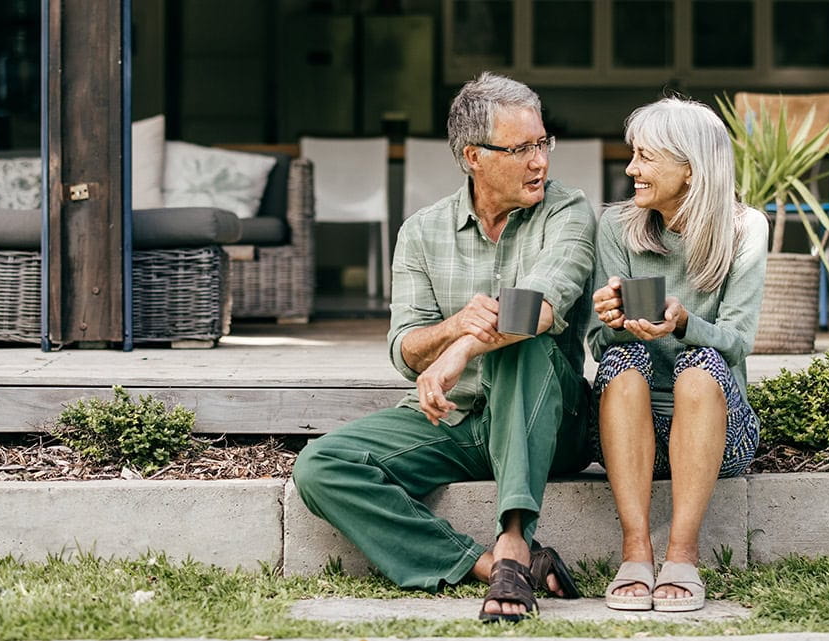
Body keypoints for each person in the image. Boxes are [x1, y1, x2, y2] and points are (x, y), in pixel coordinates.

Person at [292, 72, 597, 623]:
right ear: (473, 156)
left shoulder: (568, 211)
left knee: (521, 343)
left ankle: (515, 540)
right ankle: (485, 566)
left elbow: (543, 307)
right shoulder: (421, 232)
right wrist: (452, 327)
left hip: (548, 420)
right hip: (457, 423)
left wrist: (461, 350)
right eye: (522, 148)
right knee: (322, 465)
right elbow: (406, 350)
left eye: (542, 143)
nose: (540, 162)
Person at [588, 97, 768, 612]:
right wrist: (612, 324)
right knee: (621, 362)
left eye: (645, 157)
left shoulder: (744, 229)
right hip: (630, 435)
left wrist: (685, 323)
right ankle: (635, 550)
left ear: (689, 168)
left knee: (702, 363)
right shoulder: (618, 227)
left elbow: (737, 342)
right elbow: (598, 350)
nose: (631, 169)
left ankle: (683, 555)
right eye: (633, 155)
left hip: (720, 432)